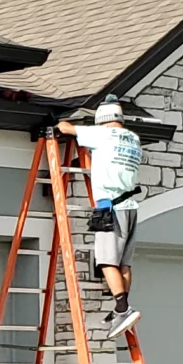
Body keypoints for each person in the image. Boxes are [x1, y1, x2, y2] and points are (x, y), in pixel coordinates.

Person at [56, 100, 144, 340]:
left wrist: (60, 119)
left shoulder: (102, 135)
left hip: (111, 207)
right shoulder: (133, 139)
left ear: (101, 120)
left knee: (107, 262)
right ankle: (120, 309)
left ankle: (123, 309)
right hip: (130, 206)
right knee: (123, 263)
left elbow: (65, 128)